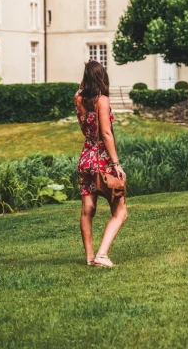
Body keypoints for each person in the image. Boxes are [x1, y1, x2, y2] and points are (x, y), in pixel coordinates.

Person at [74, 59, 128, 268]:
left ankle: (89, 257)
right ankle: (102, 255)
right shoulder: (102, 100)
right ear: (102, 77)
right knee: (120, 212)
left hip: (85, 158)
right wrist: (116, 163)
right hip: (102, 159)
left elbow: (85, 126)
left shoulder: (78, 98)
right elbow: (106, 133)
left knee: (88, 210)